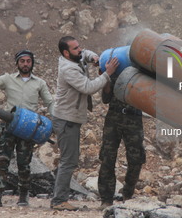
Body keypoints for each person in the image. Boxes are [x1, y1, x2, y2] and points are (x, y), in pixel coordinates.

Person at [0, 50, 54, 207]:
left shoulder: (40, 83)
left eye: (28, 61)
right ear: (17, 63)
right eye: (22, 61)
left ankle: (23, 196)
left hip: (28, 128)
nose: (25, 64)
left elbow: (50, 103)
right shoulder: (7, 79)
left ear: (32, 63)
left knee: (24, 164)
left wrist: (57, 118)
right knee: (2, 160)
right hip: (9, 126)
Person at [50, 36, 119, 211]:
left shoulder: (74, 57)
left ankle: (60, 198)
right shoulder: (68, 69)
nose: (79, 50)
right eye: (75, 49)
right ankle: (59, 200)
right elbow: (88, 87)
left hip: (71, 118)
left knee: (69, 159)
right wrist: (107, 74)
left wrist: (94, 58)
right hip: (66, 120)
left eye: (78, 46)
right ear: (66, 52)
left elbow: (85, 54)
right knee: (68, 160)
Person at [98, 74, 146, 210]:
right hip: (114, 117)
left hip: (134, 118)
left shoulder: (141, 70)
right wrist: (106, 76)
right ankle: (106, 199)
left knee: (136, 158)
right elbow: (105, 99)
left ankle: (128, 194)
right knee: (107, 157)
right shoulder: (116, 67)